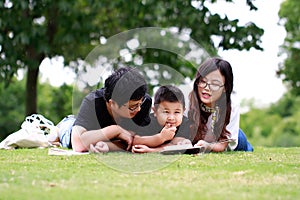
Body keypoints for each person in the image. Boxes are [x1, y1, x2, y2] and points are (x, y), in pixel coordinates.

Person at [68, 67, 152, 152]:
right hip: (71, 127)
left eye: (140, 103)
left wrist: (107, 146)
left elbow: (136, 142)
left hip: (93, 136)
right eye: (132, 107)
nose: (138, 109)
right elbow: (78, 144)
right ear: (112, 103)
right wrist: (115, 130)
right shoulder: (93, 102)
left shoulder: (144, 102)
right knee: (63, 131)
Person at [188, 57, 253, 152]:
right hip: (204, 137)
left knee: (242, 142)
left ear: (225, 88)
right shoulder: (187, 101)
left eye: (214, 84)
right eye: (203, 81)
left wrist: (208, 146)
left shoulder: (232, 104)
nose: (206, 88)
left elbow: (222, 146)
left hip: (232, 138)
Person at [132, 85, 191, 153]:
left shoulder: (184, 123)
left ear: (183, 111)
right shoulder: (148, 121)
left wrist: (151, 150)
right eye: (166, 112)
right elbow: (136, 141)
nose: (171, 118)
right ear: (155, 111)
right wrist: (161, 137)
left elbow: (175, 144)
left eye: (177, 112)